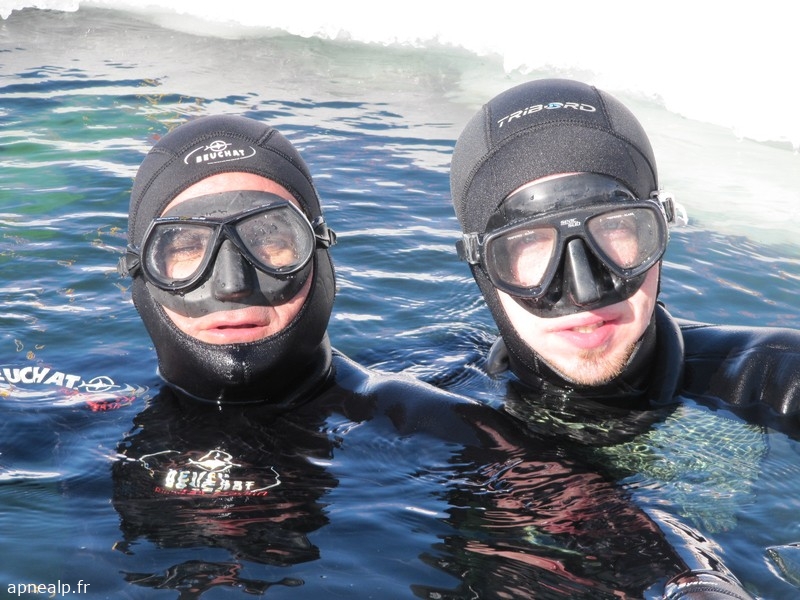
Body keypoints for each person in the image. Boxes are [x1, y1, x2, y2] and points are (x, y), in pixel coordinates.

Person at [113, 113, 730, 598]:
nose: (231, 283)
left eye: (271, 240)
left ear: (321, 254)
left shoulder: (440, 426)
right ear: (140, 272)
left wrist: (694, 588)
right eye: (185, 249)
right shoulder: (78, 403)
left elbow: (606, 523)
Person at [447, 77, 800, 597]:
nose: (585, 290)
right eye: (528, 244)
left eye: (615, 228)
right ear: (483, 267)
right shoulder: (423, 408)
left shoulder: (772, 377)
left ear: (660, 230)